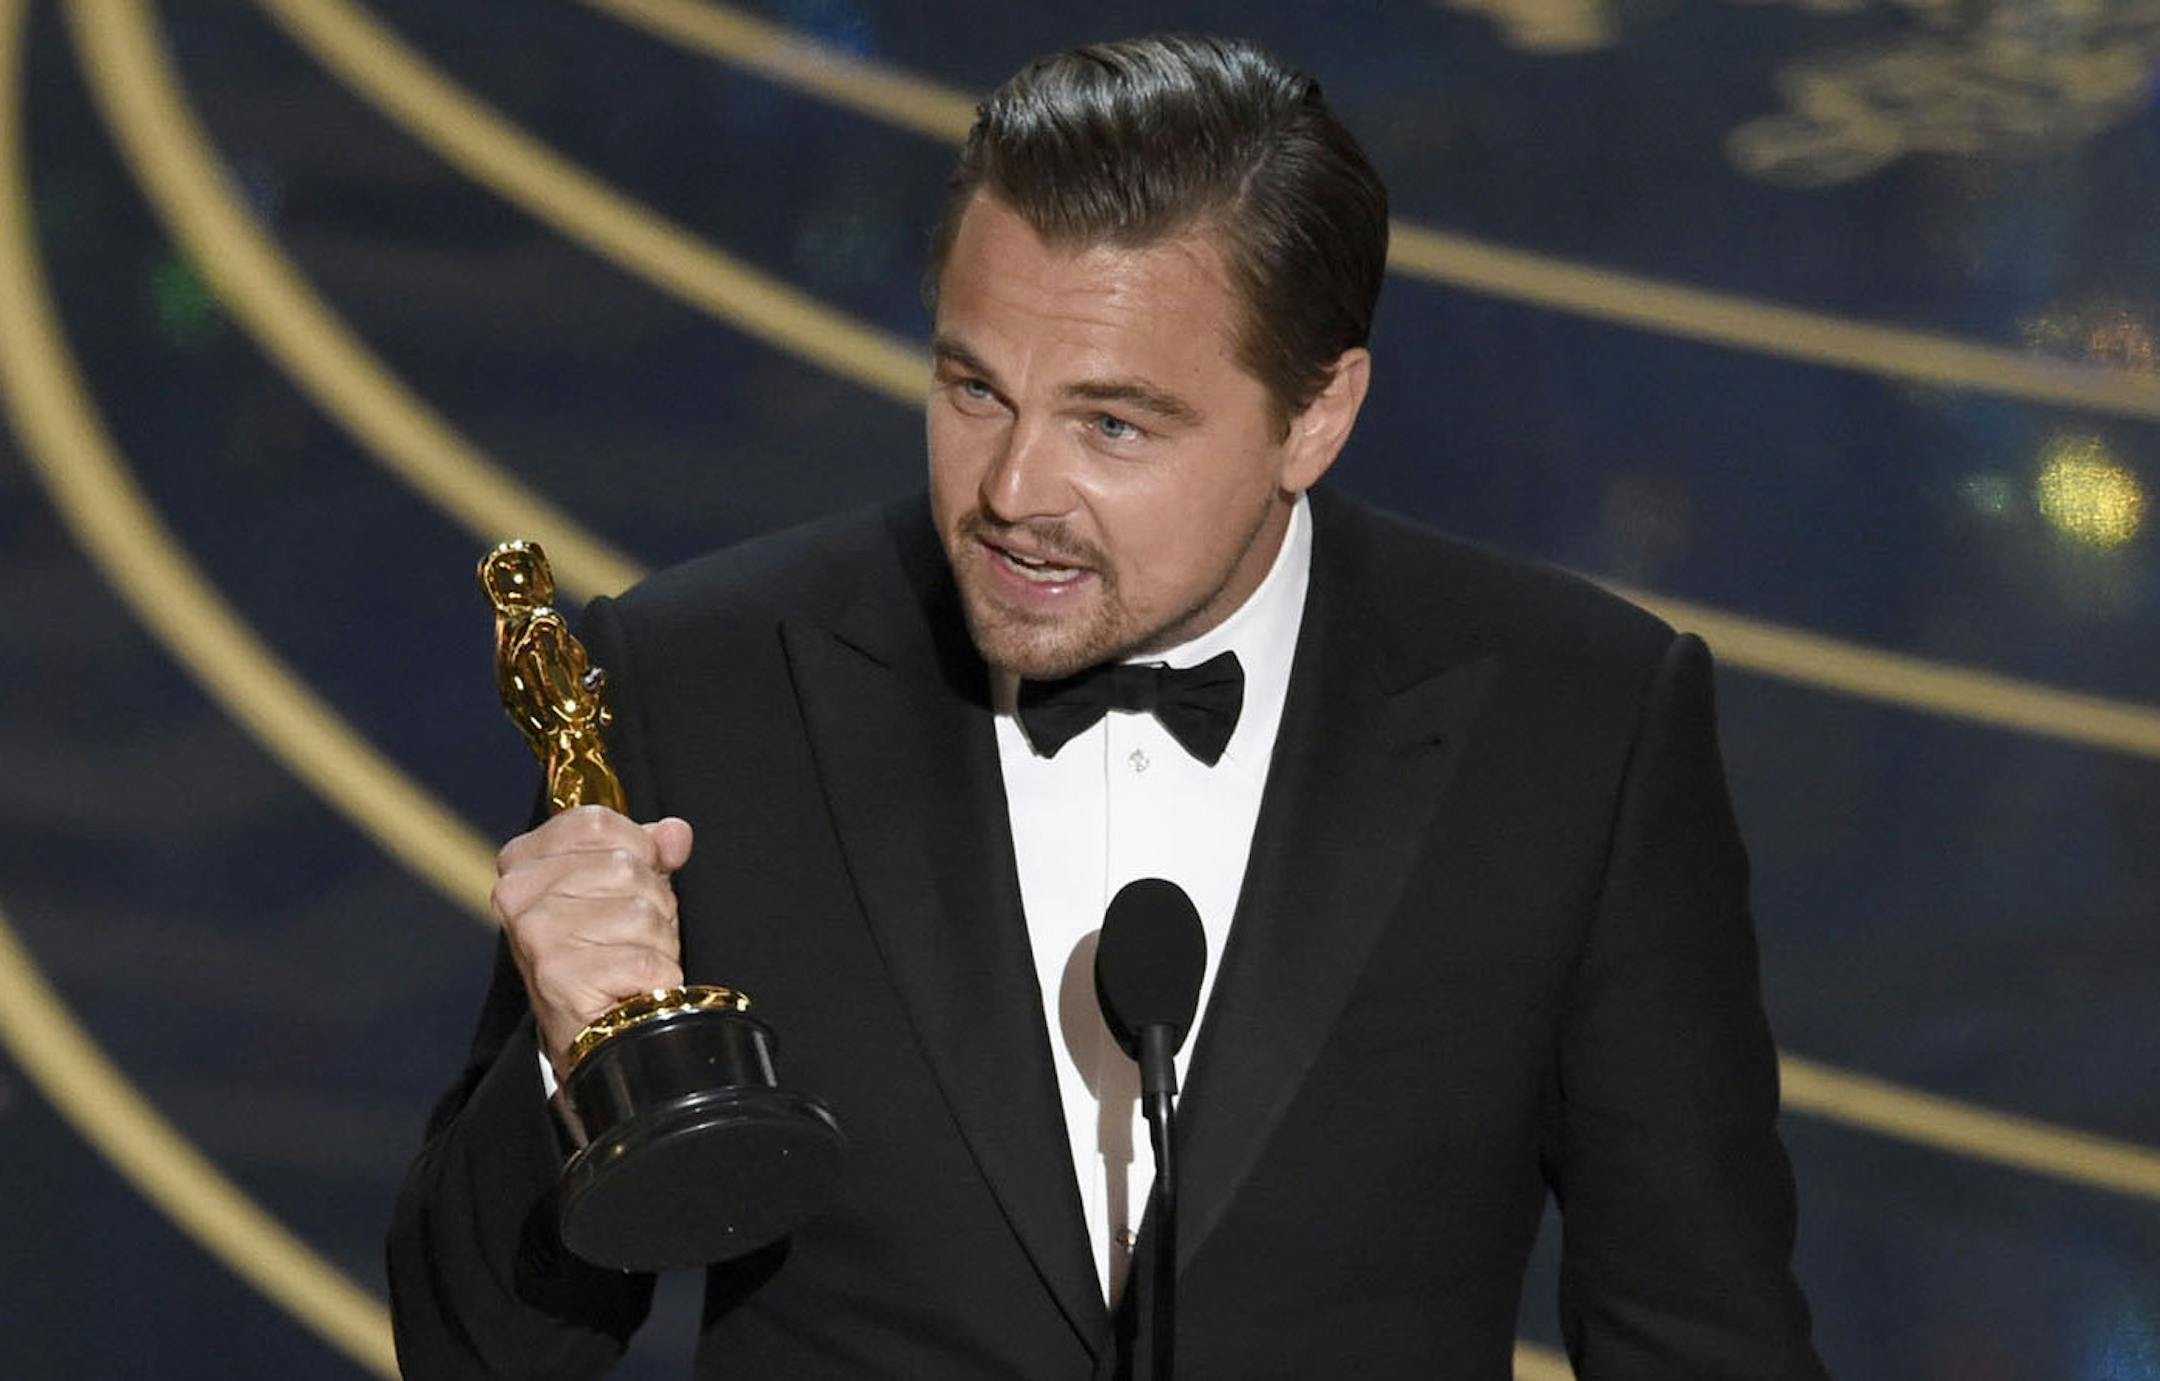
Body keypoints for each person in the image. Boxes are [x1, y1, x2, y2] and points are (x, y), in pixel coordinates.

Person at [388, 34, 1828, 1379]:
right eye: (973, 389)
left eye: (1114, 423)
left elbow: (1703, 1340)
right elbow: (476, 1350)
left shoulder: (1576, 727)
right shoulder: (706, 677)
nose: (1014, 492)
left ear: (1316, 415)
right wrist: (568, 1061)